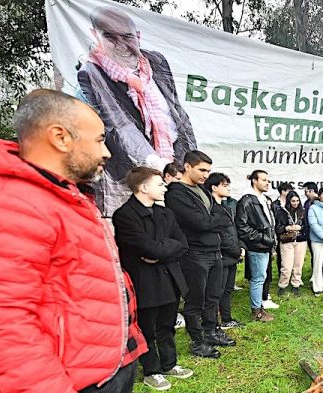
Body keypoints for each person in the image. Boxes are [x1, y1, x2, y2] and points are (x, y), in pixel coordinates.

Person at [0, 89, 149, 393]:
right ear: (60, 137)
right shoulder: (15, 201)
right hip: (68, 392)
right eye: (98, 140)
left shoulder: (62, 195)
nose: (108, 153)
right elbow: (1, 318)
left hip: (95, 378)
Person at [77, 6, 197, 215]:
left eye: (127, 37)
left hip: (174, 161)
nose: (122, 45)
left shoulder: (157, 61)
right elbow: (119, 124)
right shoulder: (91, 72)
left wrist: (190, 162)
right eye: (111, 37)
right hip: (131, 171)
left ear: (138, 37)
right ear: (95, 35)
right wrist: (157, 165)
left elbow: (176, 111)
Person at [113, 166, 194, 391]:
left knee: (167, 325)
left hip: (169, 278)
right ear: (144, 187)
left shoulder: (165, 213)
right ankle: (152, 370)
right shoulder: (125, 215)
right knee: (147, 327)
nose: (165, 187)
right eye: (160, 184)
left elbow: (182, 244)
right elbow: (147, 247)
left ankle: (169, 364)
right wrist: (161, 251)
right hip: (144, 281)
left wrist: (158, 253)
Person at [165, 150, 231, 358]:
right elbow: (200, 223)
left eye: (208, 170)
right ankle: (197, 341)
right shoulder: (176, 193)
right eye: (202, 170)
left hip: (213, 251)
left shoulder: (202, 190)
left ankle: (211, 331)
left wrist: (213, 221)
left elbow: (222, 214)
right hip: (194, 253)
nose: (205, 174)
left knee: (213, 295)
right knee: (195, 299)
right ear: (187, 167)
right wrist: (214, 221)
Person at [204, 173, 244, 332]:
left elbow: (233, 231)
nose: (228, 188)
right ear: (214, 187)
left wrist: (240, 247)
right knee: (216, 292)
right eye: (224, 185)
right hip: (222, 256)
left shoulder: (226, 207)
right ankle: (213, 324)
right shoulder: (212, 208)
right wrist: (236, 251)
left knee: (228, 290)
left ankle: (226, 319)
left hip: (232, 256)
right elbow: (221, 235)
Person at [237, 169, 277, 321]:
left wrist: (270, 242)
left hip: (264, 245)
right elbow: (242, 227)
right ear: (254, 180)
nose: (268, 183)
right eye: (264, 180)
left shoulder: (264, 199)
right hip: (257, 246)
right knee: (258, 278)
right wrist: (263, 238)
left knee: (262, 277)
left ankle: (259, 307)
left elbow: (269, 224)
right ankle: (256, 312)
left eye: (268, 180)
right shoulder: (247, 200)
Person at [276, 190, 308, 296]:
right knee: (286, 266)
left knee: (298, 265)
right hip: (287, 241)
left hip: (300, 241)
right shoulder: (282, 212)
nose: (295, 203)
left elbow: (307, 227)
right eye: (293, 201)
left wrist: (301, 227)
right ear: (289, 201)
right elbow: (277, 228)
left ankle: (296, 285)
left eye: (297, 201)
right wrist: (286, 228)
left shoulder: (303, 212)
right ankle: (282, 285)